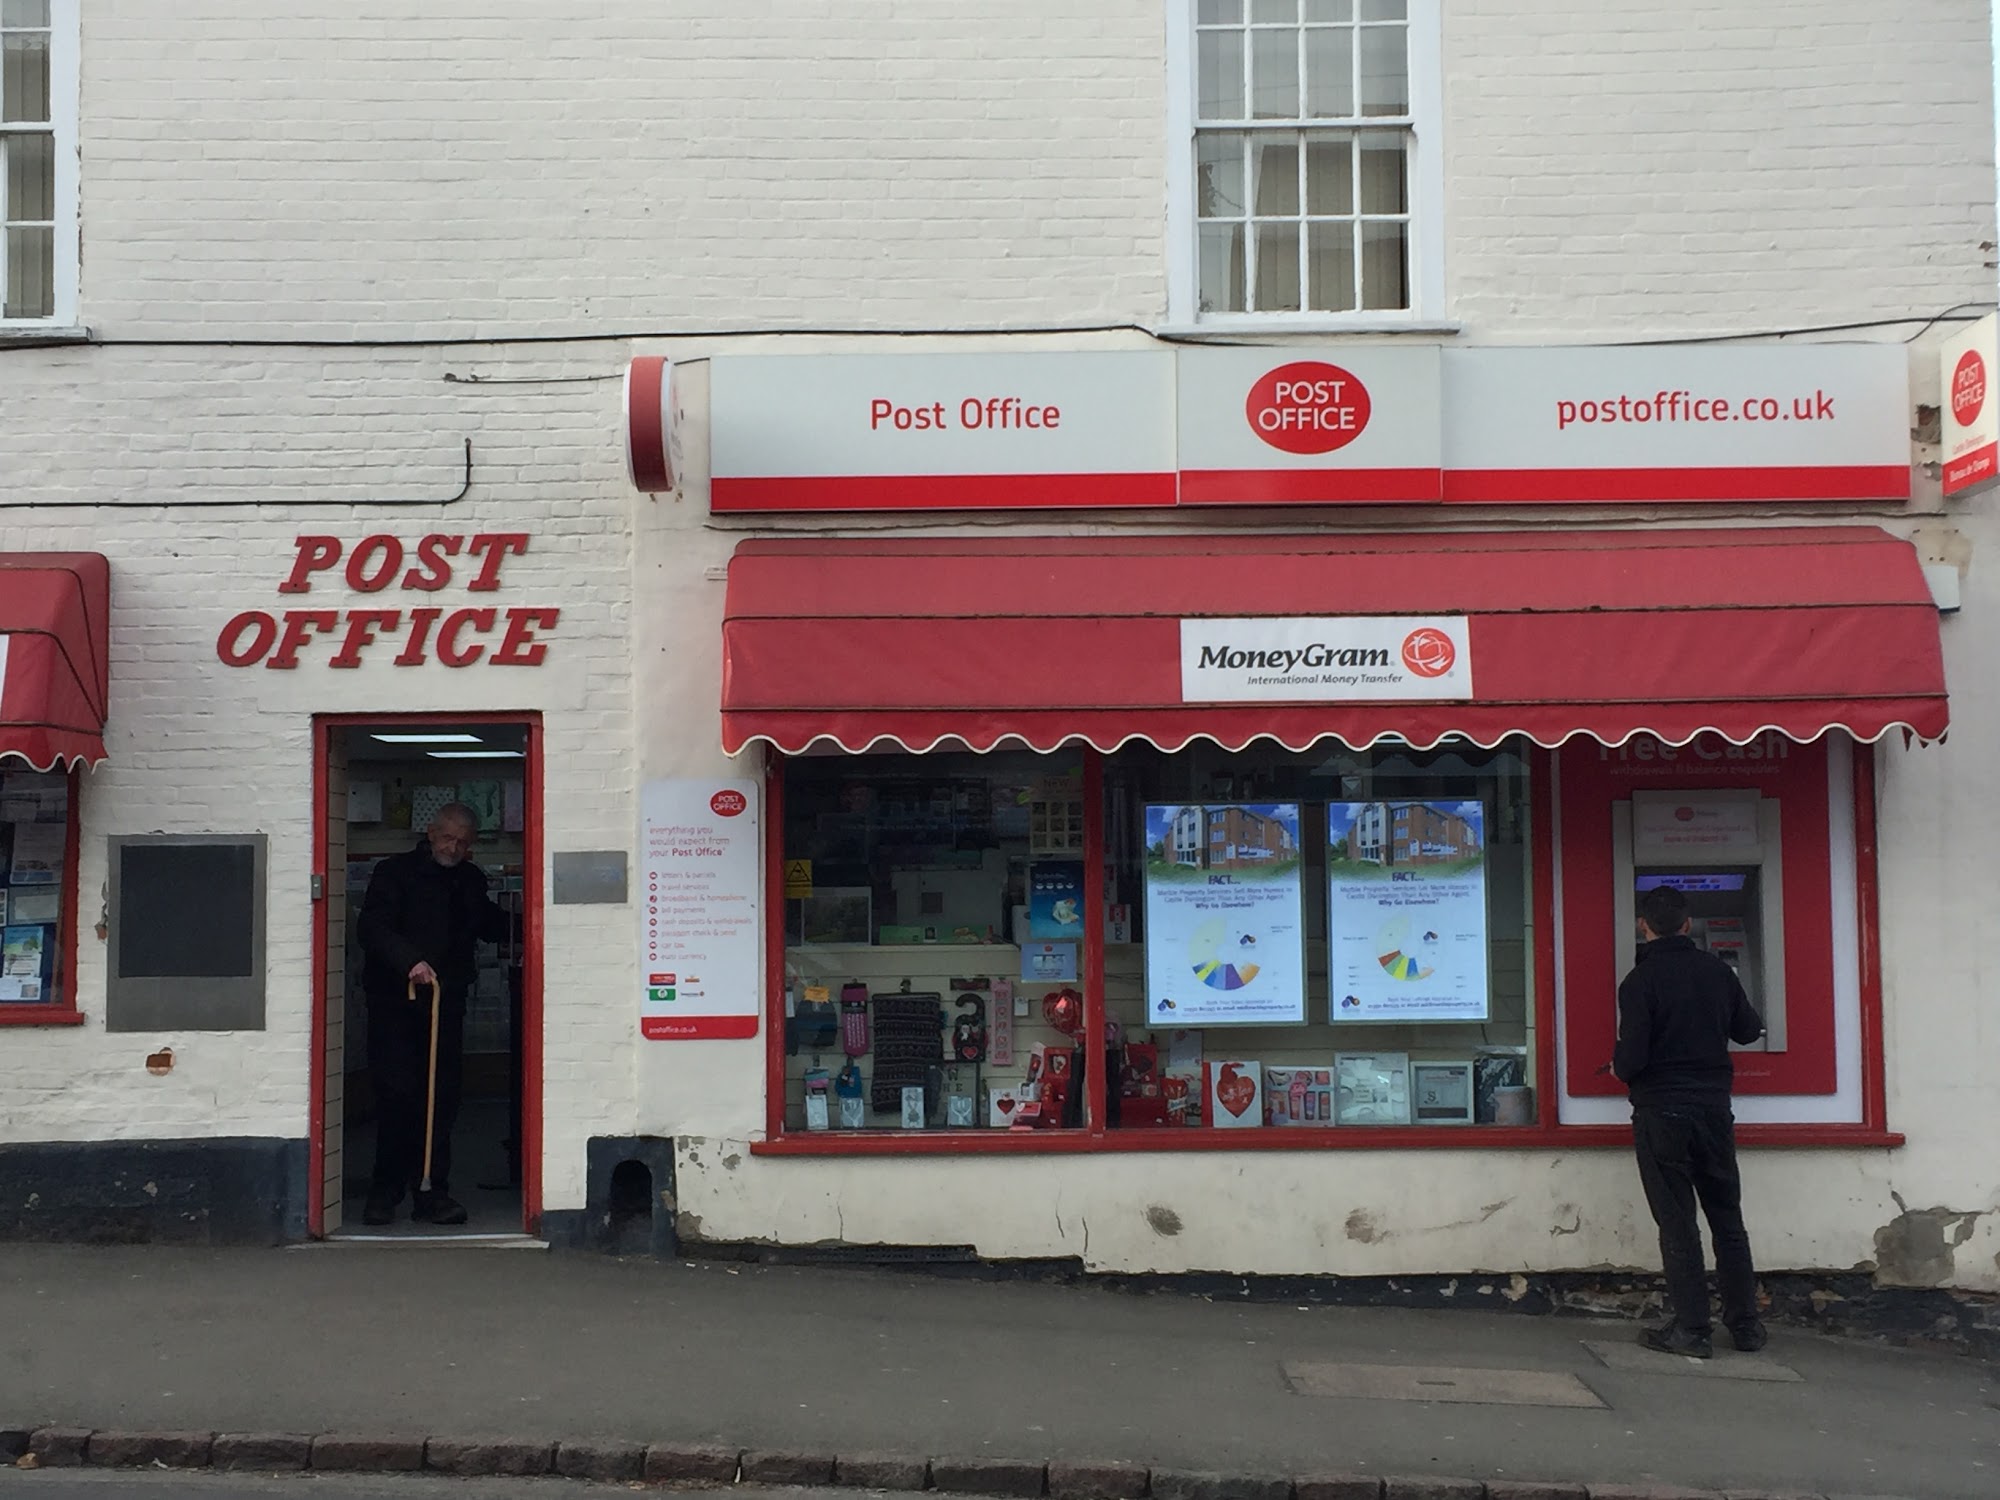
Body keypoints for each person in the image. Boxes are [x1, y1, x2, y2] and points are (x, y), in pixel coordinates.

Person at [1613, 883, 1769, 1358]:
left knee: (1678, 1223)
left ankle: (1692, 1330)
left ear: (1644, 926)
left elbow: (1631, 1061)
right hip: (1713, 1109)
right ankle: (1746, 1327)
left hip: (1662, 1112)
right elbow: (1748, 1030)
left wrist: (1620, 1064)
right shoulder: (1718, 971)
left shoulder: (1639, 982)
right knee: (1728, 1218)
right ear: (1687, 925)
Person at [356, 803, 516, 1226]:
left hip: (447, 1003)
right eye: (448, 838)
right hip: (396, 1001)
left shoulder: (468, 881)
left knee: (441, 1099)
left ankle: (431, 1192)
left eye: (463, 842)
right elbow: (372, 928)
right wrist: (410, 961)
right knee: (396, 1097)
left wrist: (531, 923)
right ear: (430, 833)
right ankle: (384, 1192)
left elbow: (488, 923)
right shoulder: (394, 873)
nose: (454, 847)